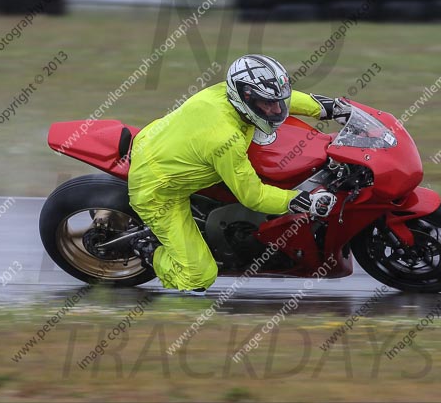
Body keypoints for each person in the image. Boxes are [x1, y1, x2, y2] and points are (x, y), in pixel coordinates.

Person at [127, 54, 351, 295]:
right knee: (198, 277)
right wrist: (295, 200)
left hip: (159, 141)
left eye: (279, 102)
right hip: (158, 191)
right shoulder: (225, 140)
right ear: (245, 98)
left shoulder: (227, 92)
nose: (277, 110)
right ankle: (149, 249)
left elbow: (277, 99)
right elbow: (253, 196)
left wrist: (324, 108)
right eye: (268, 104)